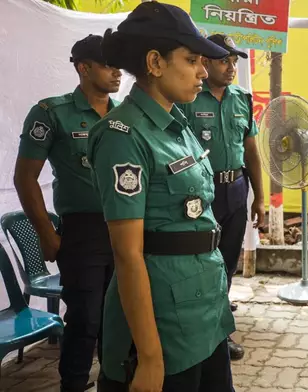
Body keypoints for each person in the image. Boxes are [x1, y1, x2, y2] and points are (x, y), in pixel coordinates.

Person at [86, 3, 236, 391]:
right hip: (165, 324)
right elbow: (128, 253)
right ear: (155, 62)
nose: (203, 71)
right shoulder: (123, 136)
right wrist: (150, 358)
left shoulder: (177, 124)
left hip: (205, 310)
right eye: (192, 60)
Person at [13, 34, 121, 392]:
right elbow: (25, 177)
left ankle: (113, 382)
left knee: (118, 318)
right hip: (83, 231)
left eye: (118, 64)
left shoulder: (125, 115)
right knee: (86, 318)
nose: (117, 72)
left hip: (126, 227)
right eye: (107, 64)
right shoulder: (52, 112)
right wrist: (46, 233)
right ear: (84, 67)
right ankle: (73, 386)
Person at [177, 33, 265, 361]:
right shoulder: (188, 98)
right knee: (202, 264)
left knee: (227, 263)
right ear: (204, 61)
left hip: (236, 188)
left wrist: (259, 197)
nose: (230, 67)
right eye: (223, 60)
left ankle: (220, 333)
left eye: (233, 60)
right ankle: (197, 333)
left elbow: (252, 151)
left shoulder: (242, 98)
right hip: (201, 192)